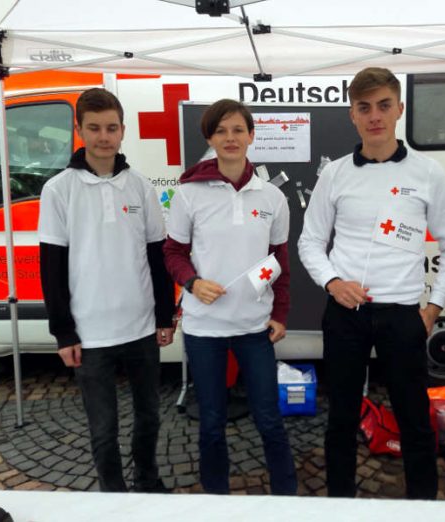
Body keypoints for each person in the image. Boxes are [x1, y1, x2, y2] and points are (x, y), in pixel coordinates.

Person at [298, 67, 445, 499]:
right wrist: (332, 281)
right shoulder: (335, 174)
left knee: (413, 417)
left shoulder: (429, 173)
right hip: (345, 315)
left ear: (399, 110)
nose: (374, 115)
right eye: (364, 107)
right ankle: (340, 503)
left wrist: (434, 307)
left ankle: (422, 505)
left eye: (383, 105)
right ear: (352, 115)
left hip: (403, 315)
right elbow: (310, 241)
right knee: (340, 416)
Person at [38, 88, 175, 493]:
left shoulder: (140, 187)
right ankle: (113, 499)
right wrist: (64, 332)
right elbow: (52, 267)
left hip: (140, 327)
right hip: (91, 332)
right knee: (103, 429)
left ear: (122, 131)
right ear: (79, 130)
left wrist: (164, 316)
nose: (103, 137)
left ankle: (148, 482)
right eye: (94, 128)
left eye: (111, 128)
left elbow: (157, 257)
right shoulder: (59, 189)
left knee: (149, 416)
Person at [163, 99, 297, 495]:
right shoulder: (189, 194)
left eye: (238, 129)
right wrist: (191, 282)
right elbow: (172, 253)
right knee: (211, 421)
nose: (230, 138)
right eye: (221, 130)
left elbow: (280, 261)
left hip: (255, 327)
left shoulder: (272, 198)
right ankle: (216, 501)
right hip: (204, 329)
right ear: (209, 138)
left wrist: (282, 313)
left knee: (270, 418)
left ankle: (287, 498)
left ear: (252, 136)